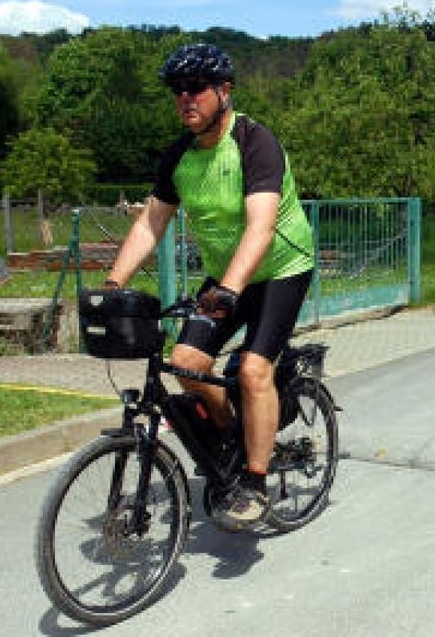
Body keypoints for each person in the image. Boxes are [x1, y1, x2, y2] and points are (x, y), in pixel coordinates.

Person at [104, 43, 315, 530]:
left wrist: (229, 291)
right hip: (229, 276)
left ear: (224, 90)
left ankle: (256, 483)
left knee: (254, 370)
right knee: (185, 362)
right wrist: (115, 282)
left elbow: (259, 228)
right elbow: (150, 225)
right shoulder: (179, 157)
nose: (185, 98)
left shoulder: (254, 142)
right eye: (177, 91)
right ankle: (232, 435)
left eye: (196, 87)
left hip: (281, 268)